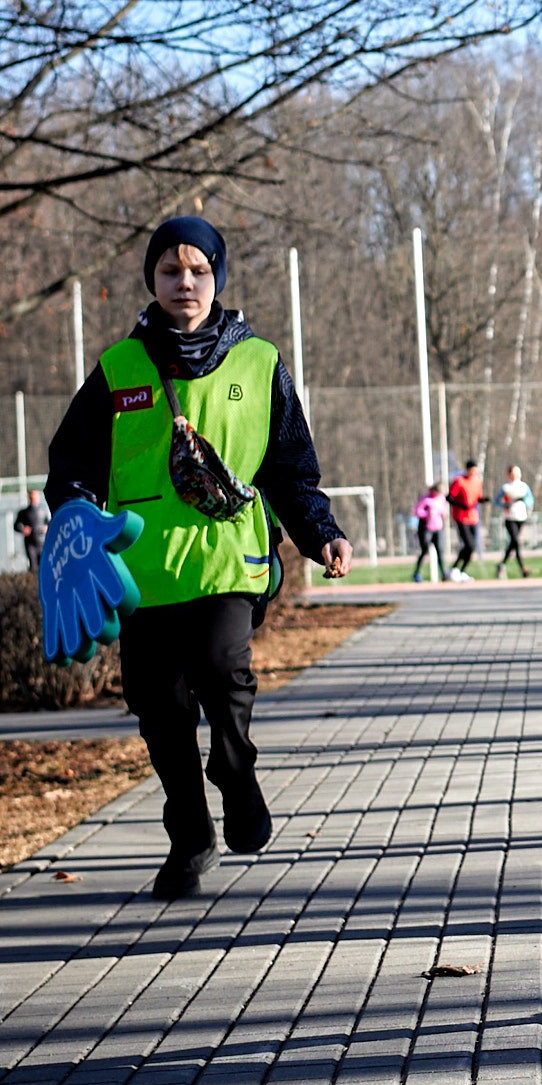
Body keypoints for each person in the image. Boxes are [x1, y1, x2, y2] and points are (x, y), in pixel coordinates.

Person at [44, 214, 351, 901]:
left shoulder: (261, 361)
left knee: (222, 670)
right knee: (160, 710)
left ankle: (236, 775)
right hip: (142, 574)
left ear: (218, 276)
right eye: (169, 270)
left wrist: (320, 531)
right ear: (151, 279)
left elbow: (290, 469)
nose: (185, 282)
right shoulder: (118, 369)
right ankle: (189, 833)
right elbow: (73, 465)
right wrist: (71, 513)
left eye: (199, 270)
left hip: (228, 562)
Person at [446, 461, 483, 579]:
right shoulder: (459, 481)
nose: (473, 473)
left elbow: (477, 497)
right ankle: (456, 569)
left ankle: (458, 570)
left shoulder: (477, 482)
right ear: (467, 470)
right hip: (461, 517)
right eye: (472, 471)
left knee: (471, 547)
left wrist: (483, 500)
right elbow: (449, 497)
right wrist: (460, 504)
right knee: (469, 544)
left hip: (473, 517)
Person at [497, 463, 534, 576]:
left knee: (514, 543)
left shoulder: (524, 486)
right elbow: (498, 500)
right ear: (509, 474)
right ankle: (523, 568)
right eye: (514, 473)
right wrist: (505, 505)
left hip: (521, 516)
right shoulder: (506, 488)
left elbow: (530, 499)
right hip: (510, 517)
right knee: (516, 541)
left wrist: (527, 506)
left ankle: (502, 564)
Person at [411, 482, 448, 583]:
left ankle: (444, 573)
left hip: (438, 528)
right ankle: (417, 573)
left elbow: (443, 510)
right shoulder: (426, 499)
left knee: (440, 551)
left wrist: (441, 513)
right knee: (424, 551)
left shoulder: (441, 498)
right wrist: (427, 514)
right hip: (426, 528)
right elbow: (417, 511)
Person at [13, 488, 47, 570]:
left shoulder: (43, 510)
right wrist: (23, 529)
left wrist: (46, 527)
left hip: (42, 542)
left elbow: (50, 522)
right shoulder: (24, 512)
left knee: (44, 566)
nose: (33, 497)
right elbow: (16, 526)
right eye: (31, 495)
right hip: (30, 543)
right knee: (33, 567)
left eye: (35, 495)